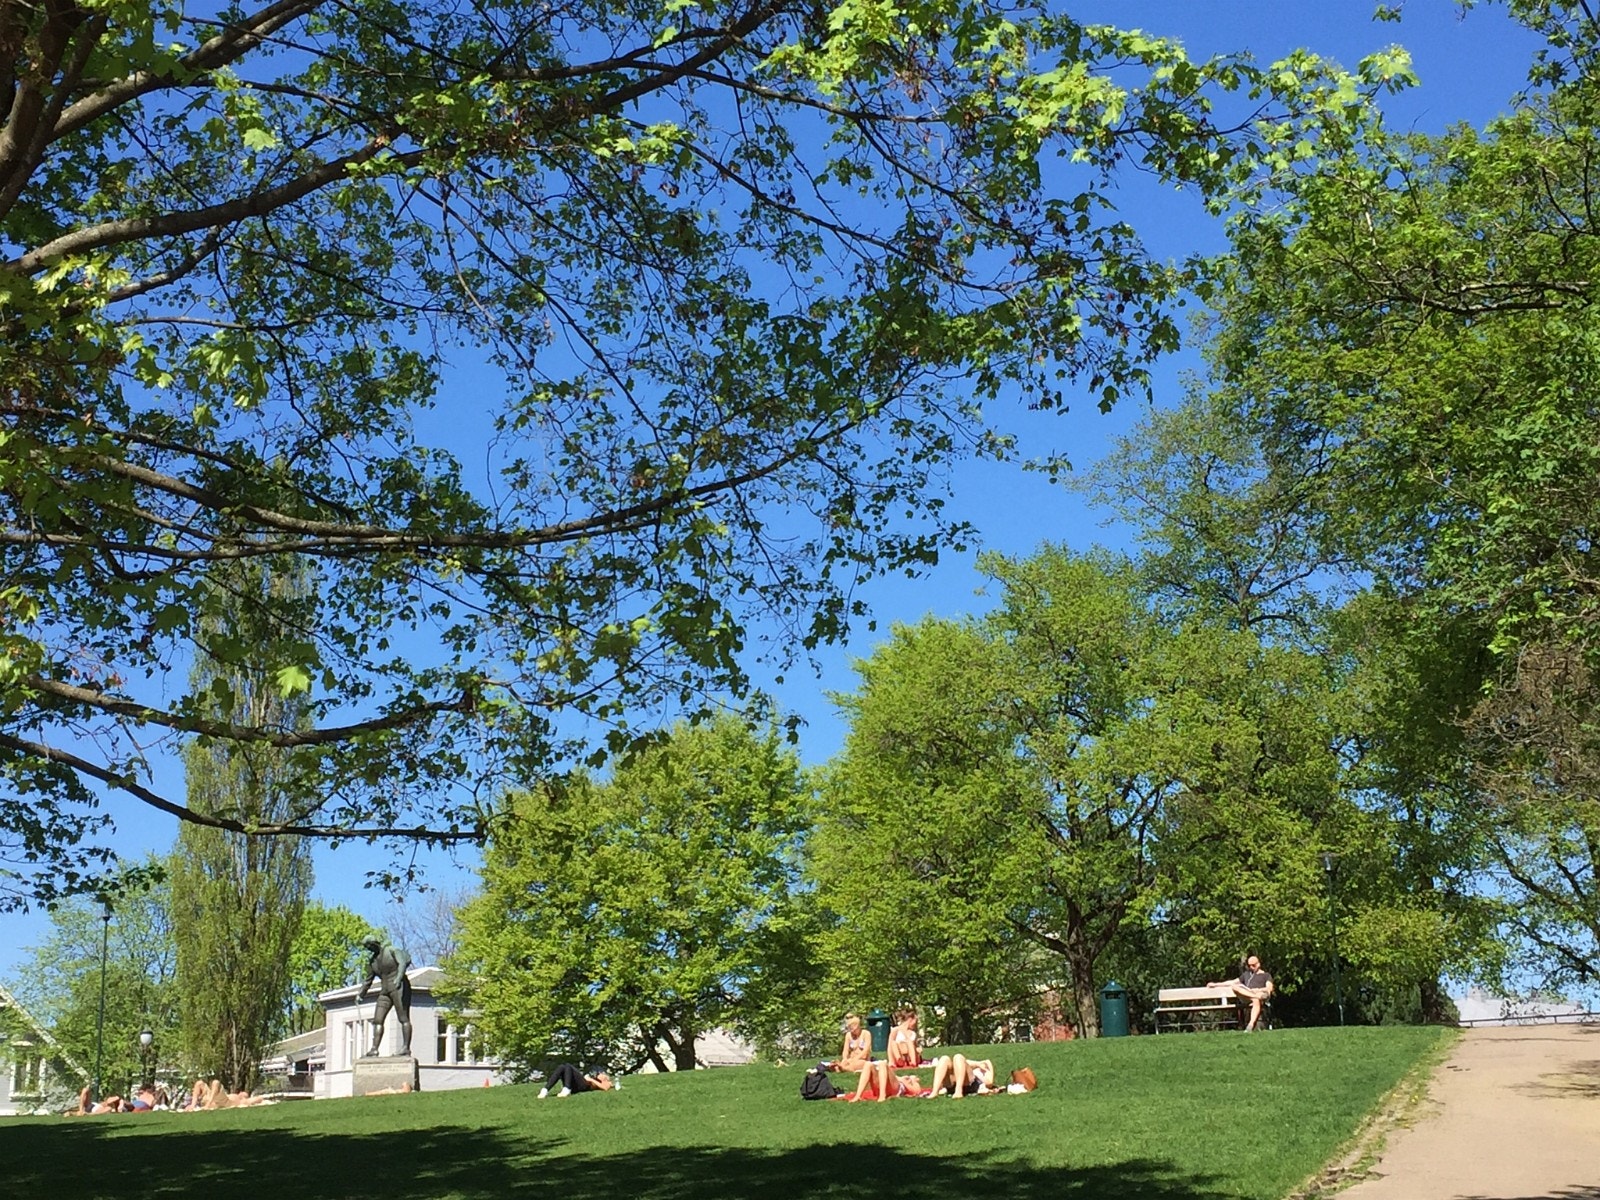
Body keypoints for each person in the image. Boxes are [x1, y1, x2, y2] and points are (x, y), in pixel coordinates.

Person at [357, 934, 413, 1057]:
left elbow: (403, 962)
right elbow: (368, 980)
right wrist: (361, 994)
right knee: (378, 1019)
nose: (368, 949)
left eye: (369, 946)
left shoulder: (391, 950)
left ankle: (405, 1047)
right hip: (385, 991)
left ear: (374, 943)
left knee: (403, 1018)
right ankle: (374, 1049)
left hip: (398, 987)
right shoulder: (373, 962)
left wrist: (398, 978)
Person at [1208, 953, 1275, 1031]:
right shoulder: (1246, 974)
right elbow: (1232, 982)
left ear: (1258, 964)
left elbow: (1269, 988)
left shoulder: (1266, 975)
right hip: (1247, 996)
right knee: (1234, 986)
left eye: (1253, 965)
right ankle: (1255, 996)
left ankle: (1250, 1025)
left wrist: (1257, 990)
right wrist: (1216, 984)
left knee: (1256, 1000)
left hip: (1257, 994)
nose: (1251, 967)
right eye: (1249, 965)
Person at [844, 1058, 924, 1102]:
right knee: (868, 1064)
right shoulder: (904, 1078)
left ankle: (882, 1095)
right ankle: (858, 1096)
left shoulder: (912, 1082)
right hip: (886, 1085)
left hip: (895, 1089)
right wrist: (904, 1078)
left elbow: (916, 1091)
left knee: (883, 1064)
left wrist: (911, 1080)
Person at [926, 1054, 995, 1098]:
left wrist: (983, 1066)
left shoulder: (984, 1077)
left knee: (958, 1057)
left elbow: (990, 1082)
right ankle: (935, 1091)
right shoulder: (966, 1065)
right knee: (944, 1059)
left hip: (970, 1084)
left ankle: (958, 1091)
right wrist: (978, 1064)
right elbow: (966, 1062)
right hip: (954, 1084)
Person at [538, 1062, 619, 1098]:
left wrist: (591, 1080)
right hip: (579, 1084)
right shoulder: (597, 1077)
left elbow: (605, 1088)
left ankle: (567, 1089)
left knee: (568, 1066)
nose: (600, 1074)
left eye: (602, 1073)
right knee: (563, 1067)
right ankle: (545, 1089)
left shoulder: (607, 1082)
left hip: (584, 1086)